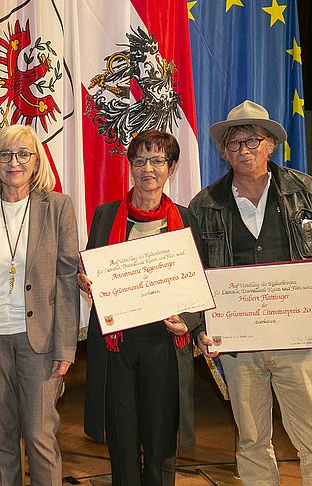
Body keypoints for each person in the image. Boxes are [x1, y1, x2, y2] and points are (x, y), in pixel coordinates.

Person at [189, 100, 312, 485]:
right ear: (224, 151)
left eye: (252, 141)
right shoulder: (205, 204)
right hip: (239, 348)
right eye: (234, 144)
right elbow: (193, 276)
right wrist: (201, 326)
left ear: (270, 145)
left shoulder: (306, 191)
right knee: (251, 443)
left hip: (302, 341)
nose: (243, 151)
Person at [79, 130, 200, 485]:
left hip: (165, 342)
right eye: (140, 160)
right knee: (122, 437)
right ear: (130, 166)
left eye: (157, 160)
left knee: (162, 438)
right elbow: (91, 269)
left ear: (171, 167)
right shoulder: (105, 216)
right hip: (118, 343)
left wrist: (189, 321)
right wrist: (84, 279)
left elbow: (198, 281)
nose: (148, 168)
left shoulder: (185, 218)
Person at [0, 124, 79, 486]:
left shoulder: (57, 206)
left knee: (40, 435)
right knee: (0, 438)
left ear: (36, 161)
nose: (14, 162)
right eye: (4, 154)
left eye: (23, 154)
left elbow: (66, 278)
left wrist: (66, 345)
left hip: (40, 341)